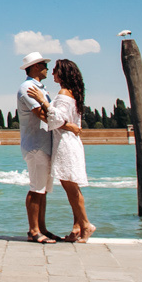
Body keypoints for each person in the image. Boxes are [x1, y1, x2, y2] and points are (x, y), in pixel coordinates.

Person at [46, 58, 96, 242]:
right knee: (72, 186)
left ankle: (86, 224)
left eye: (55, 70)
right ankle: (77, 228)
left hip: (65, 143)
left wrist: (42, 103)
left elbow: (56, 120)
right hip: (73, 142)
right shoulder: (75, 93)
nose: (52, 73)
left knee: (70, 187)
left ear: (63, 73)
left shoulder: (63, 93)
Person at [15, 50, 60, 243]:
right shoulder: (27, 88)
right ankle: (34, 230)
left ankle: (41, 227)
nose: (47, 69)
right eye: (44, 65)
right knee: (36, 188)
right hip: (35, 145)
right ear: (35, 67)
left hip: (43, 143)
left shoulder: (40, 88)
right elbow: (41, 114)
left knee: (42, 189)